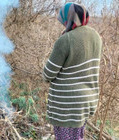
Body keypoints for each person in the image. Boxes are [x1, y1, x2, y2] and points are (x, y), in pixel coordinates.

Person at [42, 3, 102, 140]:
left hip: (67, 106)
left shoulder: (65, 40)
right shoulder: (96, 37)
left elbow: (48, 74)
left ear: (68, 18)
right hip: (86, 101)